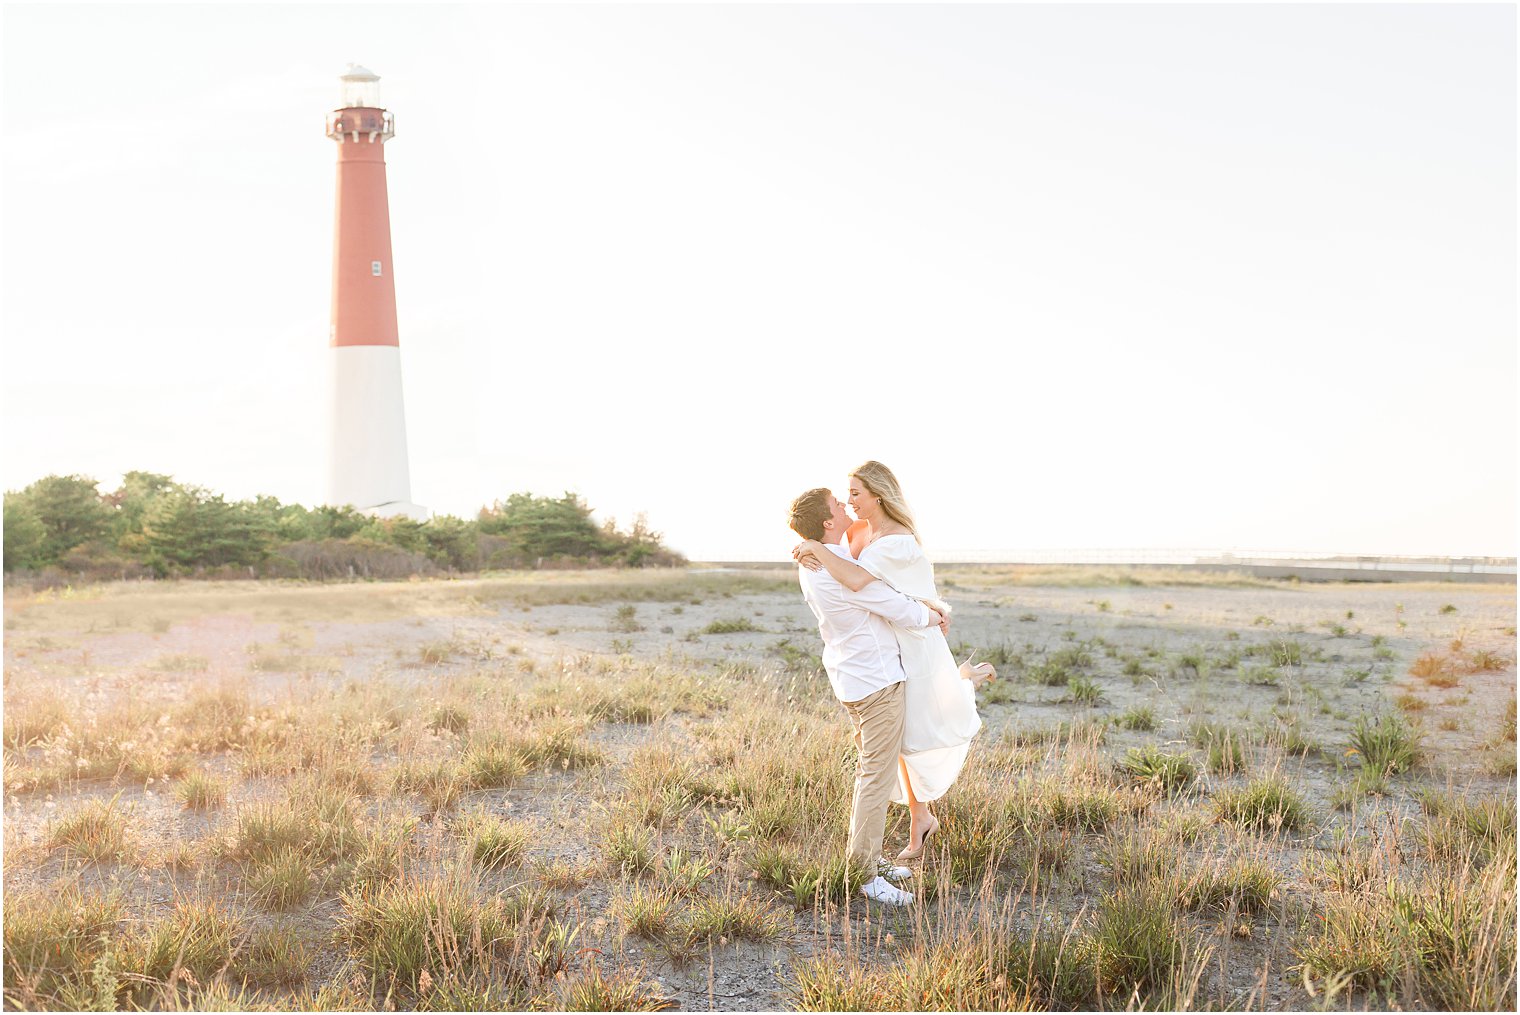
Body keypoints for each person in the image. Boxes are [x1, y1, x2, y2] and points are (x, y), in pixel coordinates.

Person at [794, 461, 992, 862]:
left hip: (888, 653)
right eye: (842, 498)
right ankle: (871, 861)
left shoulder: (879, 541)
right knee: (890, 754)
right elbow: (865, 585)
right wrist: (808, 545)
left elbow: (886, 587)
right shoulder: (844, 546)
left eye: (854, 493)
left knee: (909, 734)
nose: (847, 502)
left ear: (877, 495)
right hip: (880, 660)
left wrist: (930, 609)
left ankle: (902, 833)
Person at [788, 485, 950, 907]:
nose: (845, 505)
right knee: (875, 777)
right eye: (837, 505)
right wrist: (934, 616)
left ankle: (872, 858)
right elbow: (891, 603)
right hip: (876, 683)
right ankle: (863, 875)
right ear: (827, 522)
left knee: (874, 771)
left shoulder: (815, 560)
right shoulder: (835, 565)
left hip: (853, 679)